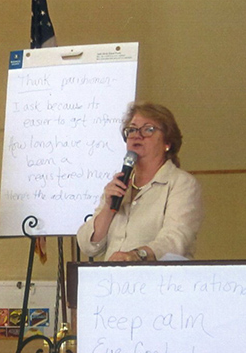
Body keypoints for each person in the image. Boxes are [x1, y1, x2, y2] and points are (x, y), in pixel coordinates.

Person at [77, 101, 203, 261]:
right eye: (132, 130)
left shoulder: (182, 184)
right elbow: (88, 246)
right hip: (110, 280)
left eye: (148, 129)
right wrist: (108, 207)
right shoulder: (120, 184)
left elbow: (176, 240)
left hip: (159, 281)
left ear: (167, 143)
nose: (137, 135)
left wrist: (136, 255)